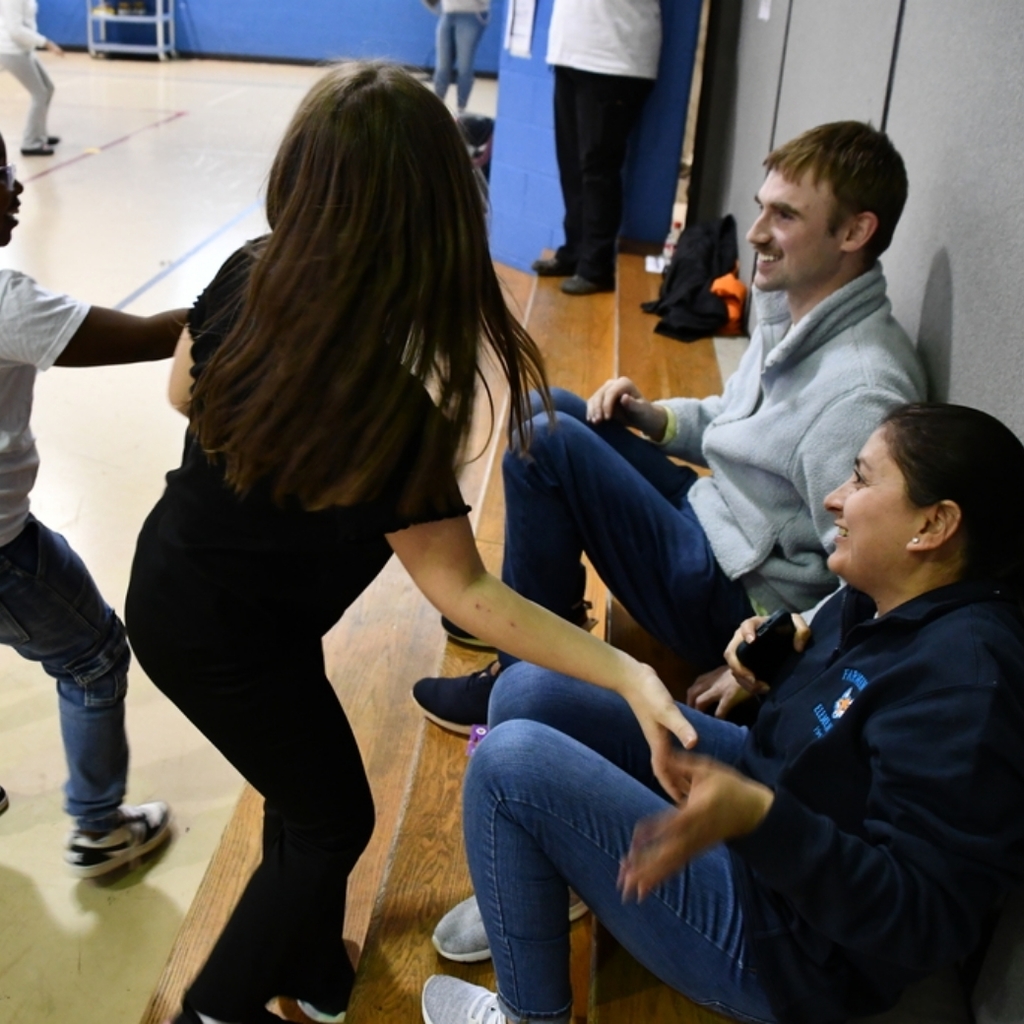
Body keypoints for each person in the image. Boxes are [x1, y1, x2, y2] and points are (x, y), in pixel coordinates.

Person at [124, 61, 692, 1024]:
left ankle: (309, 971)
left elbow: (181, 392)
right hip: (217, 630)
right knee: (331, 812)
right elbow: (469, 595)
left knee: (299, 792)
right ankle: (209, 1010)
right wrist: (632, 676)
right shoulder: (383, 402)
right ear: (435, 212)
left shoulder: (250, 271)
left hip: (209, 596)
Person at [422, 402, 1024, 1024]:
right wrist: (773, 666)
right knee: (528, 691)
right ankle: (548, 874)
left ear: (934, 524)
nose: (835, 499)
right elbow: (843, 725)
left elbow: (924, 921)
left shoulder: (969, 686)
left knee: (505, 765)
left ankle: (528, 1016)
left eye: (863, 480)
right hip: (766, 800)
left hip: (788, 949)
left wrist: (759, 820)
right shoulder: (892, 597)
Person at [414, 120, 928, 731]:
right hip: (712, 519)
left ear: (854, 231)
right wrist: (654, 419)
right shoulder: (803, 307)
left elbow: (871, 583)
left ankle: (524, 674)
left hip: (736, 601)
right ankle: (543, 620)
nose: (758, 233)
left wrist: (758, 664)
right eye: (762, 208)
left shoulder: (861, 393)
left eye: (784, 216)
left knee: (545, 443)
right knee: (551, 406)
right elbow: (737, 419)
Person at [0, 128, 181, 873]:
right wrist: (252, 301)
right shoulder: (8, 303)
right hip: (5, 549)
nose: (16, 187)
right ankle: (100, 828)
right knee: (94, 656)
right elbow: (150, 336)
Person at [531, 0, 662, 295]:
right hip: (570, 50)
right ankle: (574, 252)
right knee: (572, 165)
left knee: (597, 167)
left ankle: (596, 267)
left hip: (614, 58)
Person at [0, 0, 63, 156]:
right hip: (10, 50)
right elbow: (15, 30)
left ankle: (40, 135)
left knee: (48, 88)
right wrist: (46, 43)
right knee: (39, 93)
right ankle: (30, 142)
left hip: (24, 48)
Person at [432, 0, 490, 115]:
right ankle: (435, 108)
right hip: (447, 13)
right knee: (442, 66)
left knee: (464, 66)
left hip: (472, 14)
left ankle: (461, 110)